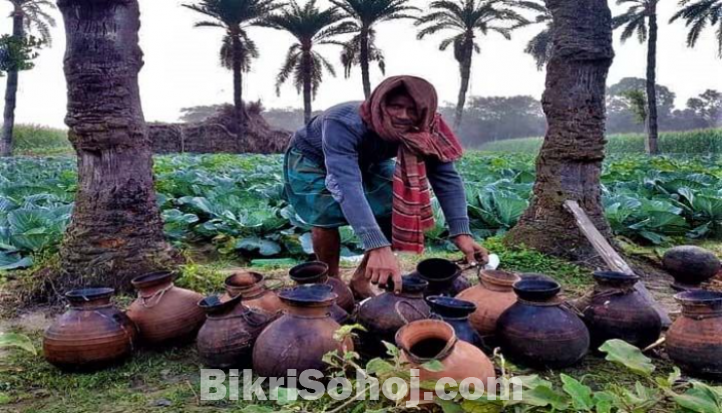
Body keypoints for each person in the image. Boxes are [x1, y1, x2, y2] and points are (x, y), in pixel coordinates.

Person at [282, 75, 488, 293]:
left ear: (424, 111)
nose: (403, 115)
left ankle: (362, 277)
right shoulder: (342, 122)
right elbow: (346, 184)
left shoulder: (427, 127)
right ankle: (332, 281)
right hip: (312, 156)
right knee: (324, 211)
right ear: (380, 103)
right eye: (396, 106)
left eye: (412, 110)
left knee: (400, 201)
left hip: (368, 159)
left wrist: (461, 232)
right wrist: (376, 244)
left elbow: (445, 176)